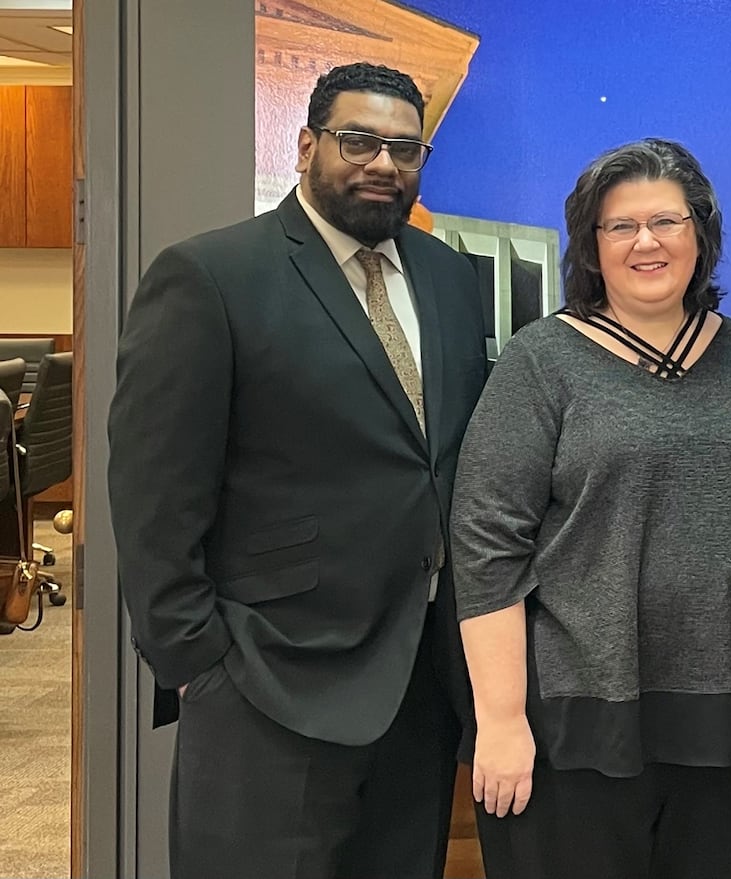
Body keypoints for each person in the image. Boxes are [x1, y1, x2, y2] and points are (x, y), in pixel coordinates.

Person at [107, 62, 487, 879]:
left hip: (419, 685)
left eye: (405, 147)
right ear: (308, 144)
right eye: (359, 141)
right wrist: (199, 663)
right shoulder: (211, 277)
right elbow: (153, 497)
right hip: (267, 683)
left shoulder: (451, 279)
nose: (384, 164)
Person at [450, 137, 731, 879]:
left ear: (701, 234)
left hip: (722, 711)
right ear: (590, 245)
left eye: (666, 221)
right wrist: (501, 720)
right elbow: (484, 545)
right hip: (580, 714)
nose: (647, 242)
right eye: (621, 225)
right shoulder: (541, 359)